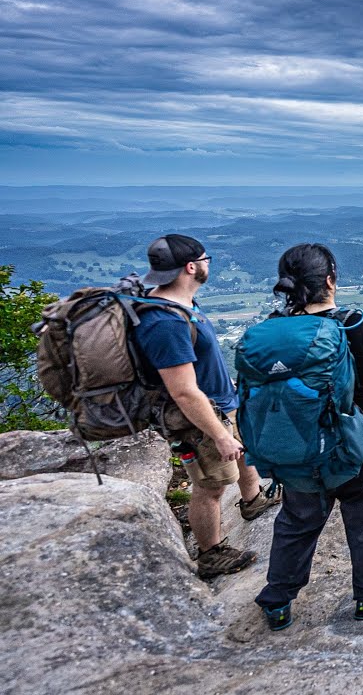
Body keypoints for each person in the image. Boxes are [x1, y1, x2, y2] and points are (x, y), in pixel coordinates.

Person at [253, 243, 363, 631]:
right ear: (330, 280)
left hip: (298, 452)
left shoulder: (270, 334)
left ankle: (278, 601)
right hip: (356, 450)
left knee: (296, 521)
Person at [134, 234, 281, 579]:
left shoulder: (182, 304)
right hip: (201, 418)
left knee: (245, 450)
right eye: (206, 259)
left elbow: (198, 362)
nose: (207, 264)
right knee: (211, 486)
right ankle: (211, 553)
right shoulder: (165, 322)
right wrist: (218, 434)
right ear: (191, 266)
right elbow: (183, 392)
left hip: (221, 400)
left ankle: (252, 499)